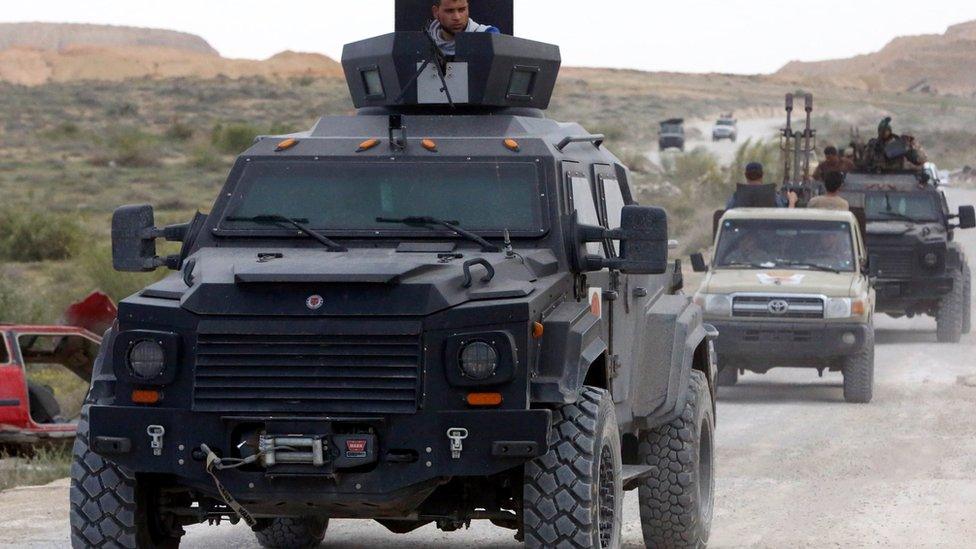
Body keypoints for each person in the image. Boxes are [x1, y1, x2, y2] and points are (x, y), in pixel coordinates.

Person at [428, 0, 500, 57]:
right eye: (450, 11)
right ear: (436, 12)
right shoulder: (424, 44)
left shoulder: (488, 37)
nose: (457, 17)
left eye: (461, 10)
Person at [860, 117, 927, 172]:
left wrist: (916, 157)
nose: (884, 133)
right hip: (875, 174)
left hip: (895, 173)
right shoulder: (873, 144)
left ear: (890, 131)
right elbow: (865, 160)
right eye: (881, 131)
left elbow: (913, 158)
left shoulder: (898, 143)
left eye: (886, 130)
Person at [726, 162, 798, 209]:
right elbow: (785, 219)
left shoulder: (736, 197)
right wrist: (792, 201)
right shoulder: (773, 196)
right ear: (762, 175)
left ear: (746, 175)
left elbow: (727, 213)